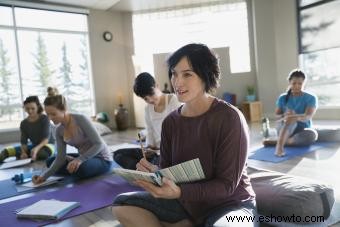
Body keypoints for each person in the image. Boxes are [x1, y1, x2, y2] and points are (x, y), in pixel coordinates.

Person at [112, 43, 257, 227]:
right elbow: (167, 172)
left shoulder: (229, 118)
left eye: (187, 74)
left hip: (231, 205)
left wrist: (179, 192)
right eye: (174, 73)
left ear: (205, 75)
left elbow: (226, 186)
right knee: (121, 205)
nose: (177, 82)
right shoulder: (171, 122)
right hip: (186, 204)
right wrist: (154, 174)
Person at [32, 94, 112, 184]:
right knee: (50, 161)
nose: (50, 118)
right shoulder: (58, 130)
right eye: (48, 114)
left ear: (64, 109)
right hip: (84, 158)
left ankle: (76, 169)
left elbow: (99, 144)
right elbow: (60, 158)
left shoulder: (80, 119)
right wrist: (44, 176)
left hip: (102, 159)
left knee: (81, 168)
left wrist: (79, 160)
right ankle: (75, 169)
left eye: (53, 114)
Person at [114, 72, 181, 170]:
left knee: (162, 162)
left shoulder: (174, 101)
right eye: (145, 98)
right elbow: (149, 131)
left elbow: (179, 134)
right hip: (154, 153)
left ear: (157, 86)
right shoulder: (148, 109)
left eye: (151, 94)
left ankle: (148, 170)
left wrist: (159, 150)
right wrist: (148, 148)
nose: (150, 100)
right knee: (118, 154)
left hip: (169, 153)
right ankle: (148, 170)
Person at [263, 69, 318, 157]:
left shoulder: (311, 98)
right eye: (294, 83)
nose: (297, 86)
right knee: (290, 119)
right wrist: (285, 115)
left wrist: (295, 116)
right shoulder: (283, 98)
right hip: (284, 127)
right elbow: (277, 117)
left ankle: (277, 141)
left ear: (304, 83)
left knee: (313, 135)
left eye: (300, 84)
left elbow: (308, 116)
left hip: (302, 131)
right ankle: (279, 147)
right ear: (289, 83)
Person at [0, 96, 54, 163]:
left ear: (38, 107)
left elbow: (46, 139)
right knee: (4, 152)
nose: (30, 111)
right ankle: (28, 154)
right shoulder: (23, 123)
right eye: (27, 108)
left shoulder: (45, 119)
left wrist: (36, 149)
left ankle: (30, 154)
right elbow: (24, 142)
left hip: (48, 145)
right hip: (34, 146)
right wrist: (23, 152)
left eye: (33, 108)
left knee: (42, 154)